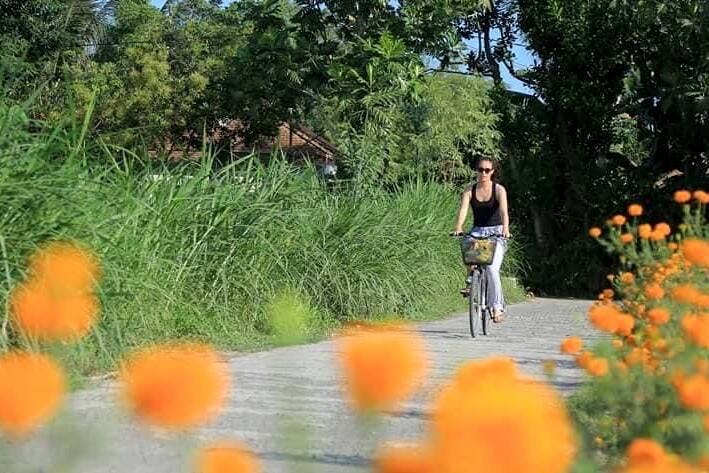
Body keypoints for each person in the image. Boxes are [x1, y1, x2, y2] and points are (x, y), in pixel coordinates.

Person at [453, 157, 510, 323]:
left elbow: (504, 212)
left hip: (497, 232)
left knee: (492, 269)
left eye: (487, 170)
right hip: (477, 231)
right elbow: (463, 210)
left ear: (492, 172)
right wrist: (458, 227)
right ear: (476, 170)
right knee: (466, 245)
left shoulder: (499, 190)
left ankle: (497, 307)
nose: (483, 173)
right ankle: (471, 278)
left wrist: (505, 229)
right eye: (480, 169)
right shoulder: (469, 190)